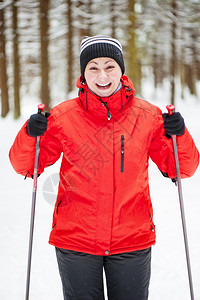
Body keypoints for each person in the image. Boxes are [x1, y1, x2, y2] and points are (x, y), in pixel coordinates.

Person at [9, 35, 199, 300]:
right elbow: (25, 165)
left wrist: (178, 135)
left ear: (121, 70)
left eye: (109, 66)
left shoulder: (149, 117)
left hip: (132, 240)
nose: (102, 76)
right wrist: (30, 133)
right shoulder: (63, 117)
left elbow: (182, 168)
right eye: (93, 67)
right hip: (76, 240)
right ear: (83, 74)